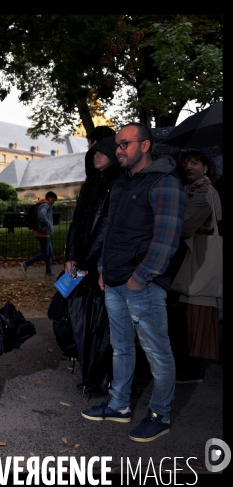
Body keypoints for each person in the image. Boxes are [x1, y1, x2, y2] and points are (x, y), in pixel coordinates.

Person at [81, 122, 186, 443]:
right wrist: (102, 267)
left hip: (144, 285)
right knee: (121, 348)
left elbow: (167, 240)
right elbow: (111, 232)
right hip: (113, 281)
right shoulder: (122, 184)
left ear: (145, 146)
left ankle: (160, 414)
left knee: (157, 353)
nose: (118, 149)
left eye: (125, 144)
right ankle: (118, 405)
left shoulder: (166, 182)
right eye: (117, 145)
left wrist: (140, 279)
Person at [64, 136, 120, 397]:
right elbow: (76, 224)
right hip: (84, 264)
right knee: (78, 319)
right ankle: (91, 375)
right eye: (92, 152)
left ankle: (102, 379)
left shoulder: (116, 183)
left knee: (101, 326)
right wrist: (71, 257)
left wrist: (85, 262)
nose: (94, 156)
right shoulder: (90, 185)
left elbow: (105, 227)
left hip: (98, 264)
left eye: (101, 152)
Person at [168, 151, 222, 383]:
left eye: (195, 162)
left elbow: (185, 227)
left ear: (207, 167)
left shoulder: (204, 192)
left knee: (194, 315)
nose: (189, 166)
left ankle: (191, 370)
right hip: (192, 261)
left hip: (198, 261)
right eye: (185, 163)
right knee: (188, 314)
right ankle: (189, 366)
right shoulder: (191, 190)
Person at [20, 191, 58, 278]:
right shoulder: (45, 205)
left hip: (43, 233)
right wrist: (46, 224)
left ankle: (48, 272)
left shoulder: (41, 204)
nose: (53, 203)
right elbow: (42, 214)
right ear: (50, 198)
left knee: (50, 253)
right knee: (45, 253)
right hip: (42, 233)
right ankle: (26, 264)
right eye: (54, 200)